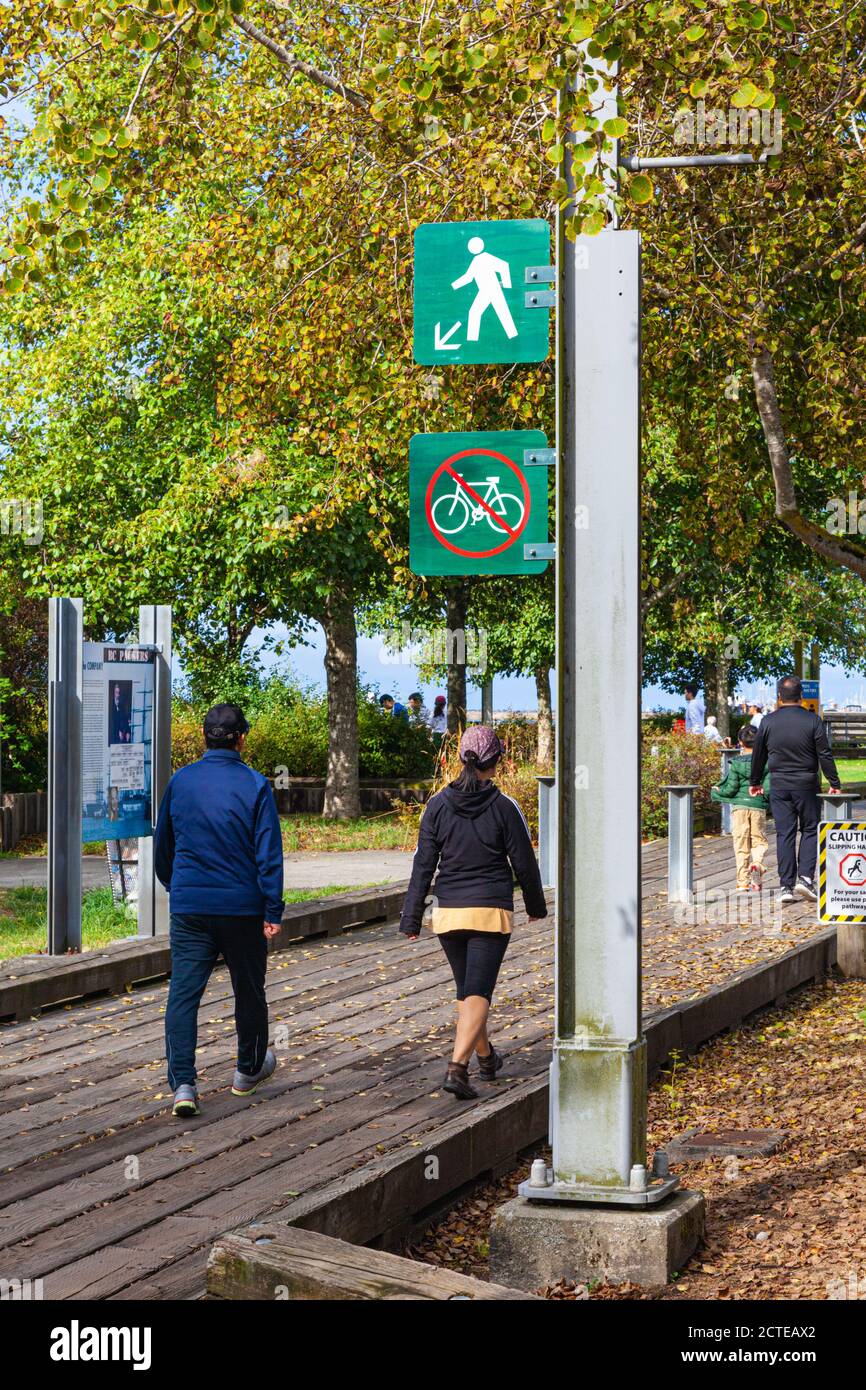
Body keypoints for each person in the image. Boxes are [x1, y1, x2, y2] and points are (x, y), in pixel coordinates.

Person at [399, 725, 548, 1100]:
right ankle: (457, 1069)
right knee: (479, 991)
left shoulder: (436, 805)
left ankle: (486, 1057)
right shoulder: (504, 806)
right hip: (489, 912)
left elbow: (423, 865)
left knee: (467, 991)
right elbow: (524, 863)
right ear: (495, 761)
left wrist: (411, 917)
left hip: (447, 913)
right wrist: (535, 906)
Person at [155, 703, 284, 1117]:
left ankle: (184, 1085)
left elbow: (164, 851)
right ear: (241, 738)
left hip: (191, 906)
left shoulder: (180, 781)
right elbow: (269, 855)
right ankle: (247, 1071)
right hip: (242, 908)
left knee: (183, 994)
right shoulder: (255, 785)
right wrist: (272, 909)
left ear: (202, 736)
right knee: (249, 989)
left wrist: (183, 889)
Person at [749, 674, 843, 905]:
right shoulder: (813, 721)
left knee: (785, 833)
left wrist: (755, 781)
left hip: (780, 784)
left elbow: (758, 754)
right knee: (810, 829)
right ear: (801, 696)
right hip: (806, 784)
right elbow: (824, 754)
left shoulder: (768, 722)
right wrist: (834, 782)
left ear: (779, 696)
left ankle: (786, 885)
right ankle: (805, 878)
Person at [711, 724, 770, 892]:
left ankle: (742, 882)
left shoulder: (735, 763)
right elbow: (768, 788)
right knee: (758, 840)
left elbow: (730, 789)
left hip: (739, 808)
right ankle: (757, 865)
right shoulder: (766, 762)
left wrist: (718, 791)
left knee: (741, 843)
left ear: (740, 743)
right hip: (757, 806)